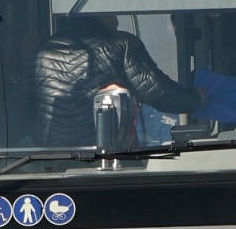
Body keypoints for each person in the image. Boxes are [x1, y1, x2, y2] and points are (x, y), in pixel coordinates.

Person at [31, 15, 203, 147]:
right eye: (111, 14)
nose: (117, 22)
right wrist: (195, 98)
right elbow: (156, 91)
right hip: (106, 157)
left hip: (51, 158)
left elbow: (18, 107)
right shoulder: (122, 45)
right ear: (97, 14)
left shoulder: (41, 51)